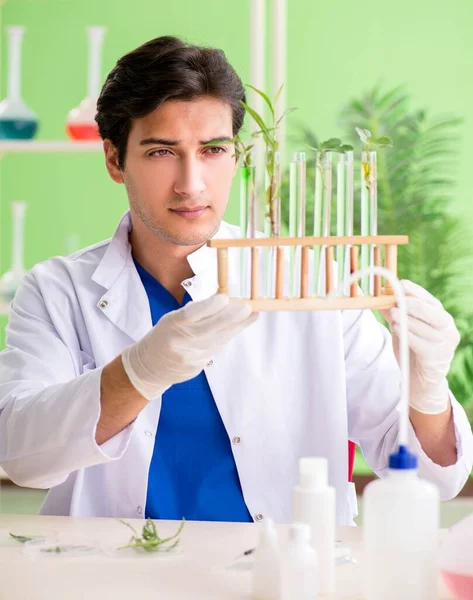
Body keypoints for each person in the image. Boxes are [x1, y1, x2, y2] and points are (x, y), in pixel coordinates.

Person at [0, 36, 471, 526]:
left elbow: (435, 479)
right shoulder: (58, 292)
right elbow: (22, 456)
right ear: (115, 160)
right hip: (114, 568)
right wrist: (139, 372)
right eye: (162, 152)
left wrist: (427, 392)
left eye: (213, 150)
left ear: (237, 155)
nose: (192, 183)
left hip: (282, 571)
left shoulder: (312, 282)